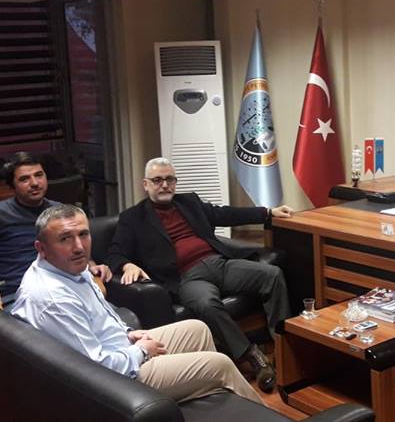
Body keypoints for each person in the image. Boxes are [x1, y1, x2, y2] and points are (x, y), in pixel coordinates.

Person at [11, 205, 261, 404]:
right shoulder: (54, 299)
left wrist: (128, 333)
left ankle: (198, 408)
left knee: (197, 329)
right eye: (65, 238)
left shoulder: (68, 266)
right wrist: (141, 351)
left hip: (119, 349)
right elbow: (95, 369)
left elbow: (102, 316)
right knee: (220, 366)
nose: (78, 247)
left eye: (83, 234)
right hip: (115, 380)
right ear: (41, 248)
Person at [104, 157, 293, 393]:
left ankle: (285, 348)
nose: (165, 185)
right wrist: (126, 265)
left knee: (272, 274)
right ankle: (253, 357)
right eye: (158, 180)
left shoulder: (189, 202)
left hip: (220, 263)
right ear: (145, 184)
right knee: (206, 304)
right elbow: (114, 253)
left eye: (170, 179)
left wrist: (267, 212)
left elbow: (225, 214)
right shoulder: (133, 218)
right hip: (188, 277)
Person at [0, 151, 111, 309]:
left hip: (63, 289)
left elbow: (76, 247)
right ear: (12, 186)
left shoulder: (59, 212)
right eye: (24, 179)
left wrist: (91, 265)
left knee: (110, 318)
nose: (34, 183)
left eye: (39, 175)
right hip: (17, 296)